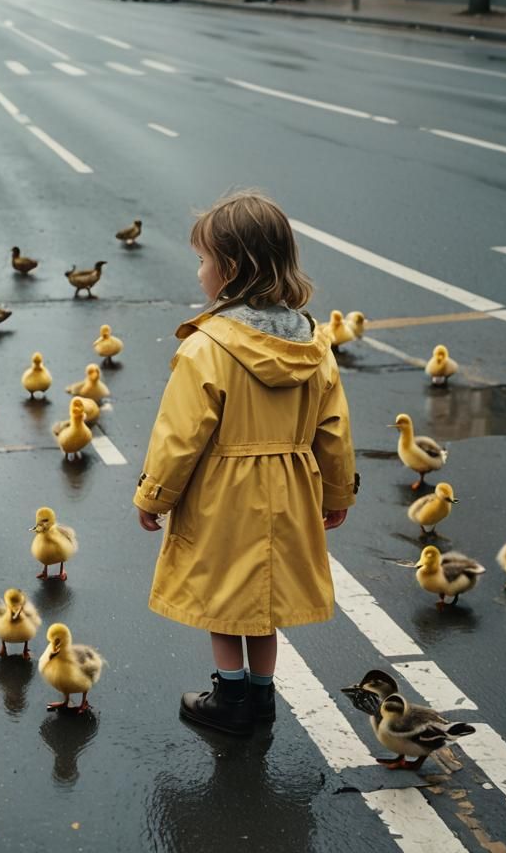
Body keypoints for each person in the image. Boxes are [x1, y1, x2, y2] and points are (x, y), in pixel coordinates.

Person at [133, 190, 358, 736]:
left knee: (224, 600)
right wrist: (337, 494)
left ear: (231, 269)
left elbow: (180, 435)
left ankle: (228, 698)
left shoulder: (207, 346)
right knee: (265, 600)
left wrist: (154, 495)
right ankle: (262, 699)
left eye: (204, 260)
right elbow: (333, 429)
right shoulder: (315, 344)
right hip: (290, 486)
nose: (199, 271)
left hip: (224, 491)